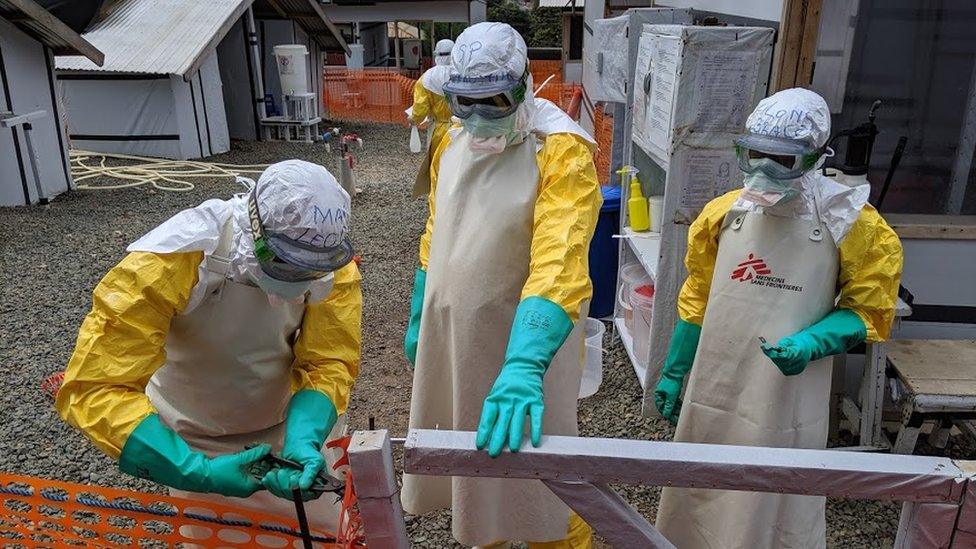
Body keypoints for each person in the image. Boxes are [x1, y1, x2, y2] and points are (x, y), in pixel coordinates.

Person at [653, 88, 903, 549]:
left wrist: (814, 342)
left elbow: (869, 310)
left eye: (781, 160)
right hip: (716, 383)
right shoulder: (723, 214)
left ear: (813, 158)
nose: (763, 169)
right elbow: (698, 296)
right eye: (755, 155)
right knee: (699, 487)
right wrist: (673, 370)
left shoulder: (851, 222)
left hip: (786, 392)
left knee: (773, 498)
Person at [56, 160, 362, 534]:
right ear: (257, 234)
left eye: (308, 271)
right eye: (285, 264)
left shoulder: (326, 260)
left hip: (290, 426)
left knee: (320, 533)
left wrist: (304, 438)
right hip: (194, 441)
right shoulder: (172, 259)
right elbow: (97, 386)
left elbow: (329, 360)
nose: (299, 281)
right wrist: (193, 470)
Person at [401, 22, 599, 548]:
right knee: (473, 462)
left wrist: (525, 362)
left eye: (494, 101)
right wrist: (423, 307)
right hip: (458, 339)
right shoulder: (451, 142)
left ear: (525, 86)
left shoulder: (560, 150)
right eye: (464, 103)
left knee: (545, 473)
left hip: (529, 338)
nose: (478, 117)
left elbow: (560, 258)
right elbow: (437, 229)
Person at [407, 38, 455, 197]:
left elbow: (420, 108)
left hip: (439, 129)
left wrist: (413, 119)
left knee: (438, 164)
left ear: (436, 55)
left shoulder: (427, 78)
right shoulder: (463, 73)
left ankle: (438, 198)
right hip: (463, 127)